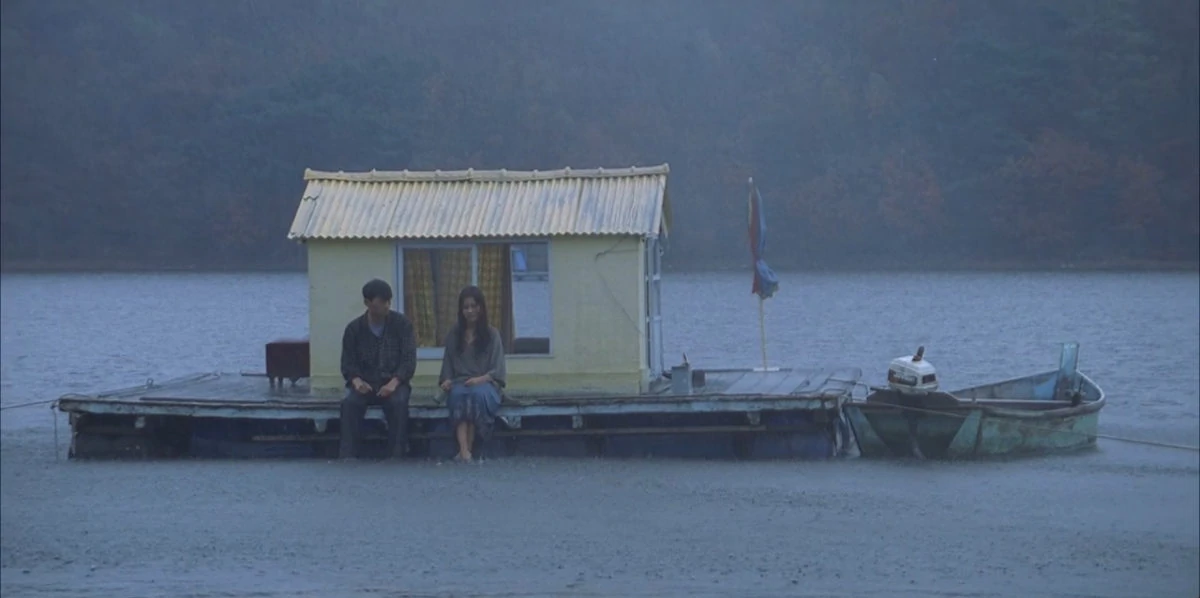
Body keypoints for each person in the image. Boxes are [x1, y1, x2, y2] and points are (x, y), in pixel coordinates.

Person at [339, 278, 416, 460]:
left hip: (394, 381)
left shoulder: (402, 325)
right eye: (381, 303)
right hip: (365, 381)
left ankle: (396, 454)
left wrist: (395, 382)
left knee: (398, 403)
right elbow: (348, 362)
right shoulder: (354, 329)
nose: (386, 306)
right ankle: (348, 454)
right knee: (350, 404)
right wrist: (356, 381)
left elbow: (408, 360)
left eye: (388, 302)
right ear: (367, 303)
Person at [438, 285, 507, 462]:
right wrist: (446, 381)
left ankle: (468, 448)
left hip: (486, 384)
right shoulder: (454, 334)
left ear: (481, 308)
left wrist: (479, 379)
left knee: (476, 395)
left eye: (473, 306)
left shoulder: (492, 334)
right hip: (460, 382)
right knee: (459, 394)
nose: (470, 311)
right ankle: (464, 450)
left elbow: (498, 371)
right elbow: (447, 367)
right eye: (466, 307)